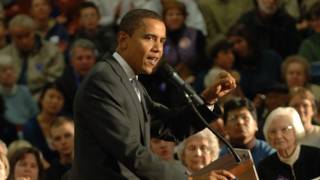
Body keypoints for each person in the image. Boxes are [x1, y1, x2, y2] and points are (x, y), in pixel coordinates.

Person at [70, 9, 236, 180]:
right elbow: (130, 151)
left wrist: (208, 99)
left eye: (162, 41)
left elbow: (168, 126)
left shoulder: (130, 81)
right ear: (123, 40)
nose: (158, 49)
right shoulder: (103, 81)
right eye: (149, 38)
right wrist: (189, 179)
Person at [0, 14, 65, 97]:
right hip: (9, 97)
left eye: (27, 35)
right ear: (12, 37)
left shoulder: (52, 51)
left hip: (42, 98)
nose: (24, 41)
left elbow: (54, 80)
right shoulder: (3, 56)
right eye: (19, 37)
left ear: (34, 32)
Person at [257, 107, 320, 180]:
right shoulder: (264, 167)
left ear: (295, 130)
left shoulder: (316, 156)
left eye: (284, 129)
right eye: (273, 132)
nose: (278, 136)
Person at [220, 97, 275, 166]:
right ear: (225, 127)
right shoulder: (219, 158)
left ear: (256, 124)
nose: (240, 122)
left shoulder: (270, 153)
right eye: (233, 118)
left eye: (244, 117)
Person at [23, 82, 64, 163]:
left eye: (59, 98)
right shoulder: (31, 126)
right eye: (51, 96)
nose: (55, 101)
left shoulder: (65, 124)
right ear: (41, 99)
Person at [55, 39, 96, 116]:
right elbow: (62, 111)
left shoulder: (104, 80)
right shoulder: (62, 83)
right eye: (80, 58)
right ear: (71, 62)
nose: (85, 62)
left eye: (89, 57)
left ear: (94, 60)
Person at [0, 54, 39, 132]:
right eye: (4, 70)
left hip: (27, 131)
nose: (9, 73)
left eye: (11, 69)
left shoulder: (24, 91)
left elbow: (35, 114)